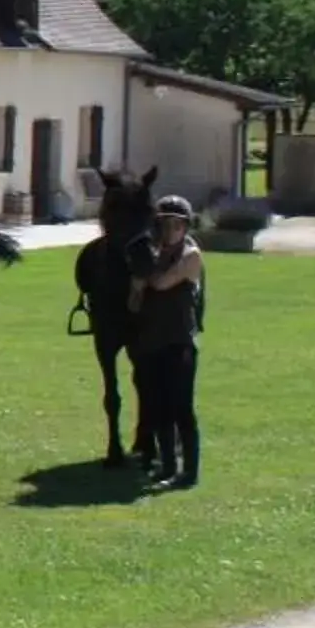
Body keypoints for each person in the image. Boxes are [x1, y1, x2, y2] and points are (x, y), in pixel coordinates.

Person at [127, 193, 204, 489]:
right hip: (152, 340)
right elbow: (134, 304)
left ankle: (189, 473)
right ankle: (167, 468)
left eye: (177, 225)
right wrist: (135, 287)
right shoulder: (151, 255)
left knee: (181, 409)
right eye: (165, 225)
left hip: (179, 342)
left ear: (186, 228)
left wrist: (144, 274)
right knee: (158, 407)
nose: (171, 231)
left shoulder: (191, 255)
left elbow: (160, 283)